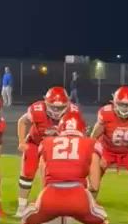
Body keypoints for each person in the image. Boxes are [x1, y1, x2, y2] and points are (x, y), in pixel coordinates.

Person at [9, 112, 114, 224]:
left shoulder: (46, 142)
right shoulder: (91, 143)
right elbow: (95, 184)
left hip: (50, 194)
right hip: (78, 195)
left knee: (27, 221)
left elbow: (43, 177)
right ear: (82, 129)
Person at [15, 85, 81, 216]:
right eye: (53, 107)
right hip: (35, 142)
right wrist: (21, 141)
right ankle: (22, 206)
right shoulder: (36, 109)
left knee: (57, 176)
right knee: (27, 173)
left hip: (57, 147)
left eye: (60, 107)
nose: (56, 110)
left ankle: (50, 203)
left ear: (67, 103)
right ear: (45, 101)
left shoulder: (74, 111)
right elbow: (23, 122)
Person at [90, 86, 128, 201]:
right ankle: (89, 204)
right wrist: (96, 157)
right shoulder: (106, 113)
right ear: (114, 102)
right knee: (94, 174)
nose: (124, 108)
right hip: (107, 149)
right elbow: (94, 137)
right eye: (121, 104)